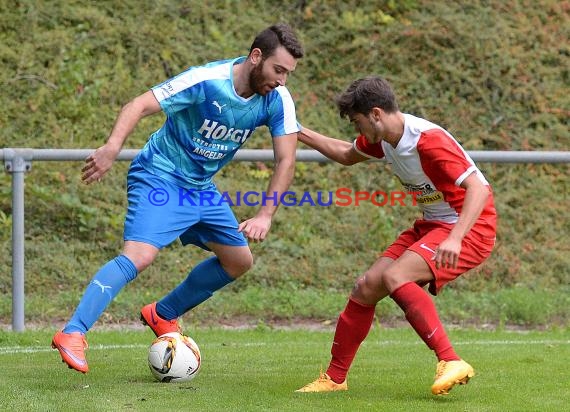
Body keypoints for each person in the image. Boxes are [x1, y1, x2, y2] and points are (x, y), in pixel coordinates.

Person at [51, 23, 304, 373]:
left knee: (238, 261)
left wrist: (265, 214)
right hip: (160, 176)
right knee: (139, 256)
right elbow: (138, 104)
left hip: (201, 189)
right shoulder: (206, 80)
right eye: (278, 70)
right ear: (255, 57)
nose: (282, 80)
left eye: (288, 74)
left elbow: (286, 159)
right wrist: (112, 147)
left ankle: (162, 313)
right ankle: (73, 332)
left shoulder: (276, 99)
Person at [295, 76, 497, 396]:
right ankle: (334, 379)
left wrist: (456, 238)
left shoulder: (427, 140)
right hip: (433, 225)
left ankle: (450, 360)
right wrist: (297, 130)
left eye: (358, 122)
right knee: (366, 287)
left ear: (376, 114)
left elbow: (479, 189)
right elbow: (347, 154)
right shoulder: (385, 138)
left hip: (470, 227)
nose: (358, 130)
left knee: (396, 276)